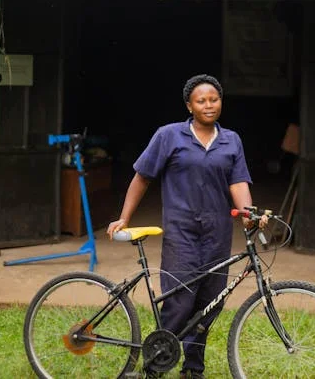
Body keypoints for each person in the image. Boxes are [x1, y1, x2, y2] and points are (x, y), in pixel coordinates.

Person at [107, 74, 266, 379]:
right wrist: (124, 217)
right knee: (180, 302)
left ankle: (192, 369)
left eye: (214, 99)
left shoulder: (231, 140)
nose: (209, 105)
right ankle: (153, 369)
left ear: (221, 102)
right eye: (201, 100)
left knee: (210, 304)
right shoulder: (169, 136)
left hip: (217, 232)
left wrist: (249, 215)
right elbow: (142, 176)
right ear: (189, 105)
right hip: (181, 232)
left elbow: (238, 182)